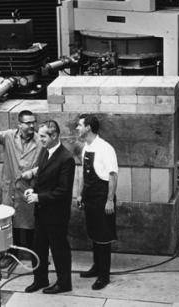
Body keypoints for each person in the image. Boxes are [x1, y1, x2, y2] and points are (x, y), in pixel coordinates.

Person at [0, 110, 42, 266]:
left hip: (28, 189)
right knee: (9, 223)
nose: (32, 125)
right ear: (19, 124)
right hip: (10, 188)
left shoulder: (40, 141)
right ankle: (11, 254)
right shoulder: (9, 136)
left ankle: (36, 257)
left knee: (30, 225)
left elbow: (48, 164)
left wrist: (33, 172)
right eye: (28, 123)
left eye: (33, 122)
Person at [23, 120, 75, 294]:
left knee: (59, 249)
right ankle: (40, 279)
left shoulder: (66, 159)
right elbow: (42, 178)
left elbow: (63, 191)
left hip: (57, 214)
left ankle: (64, 283)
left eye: (43, 136)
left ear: (54, 136)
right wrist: (33, 189)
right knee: (38, 247)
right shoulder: (45, 152)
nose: (40, 139)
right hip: (42, 211)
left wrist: (39, 197)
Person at [76, 114, 118, 290]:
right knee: (94, 234)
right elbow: (83, 174)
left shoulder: (105, 148)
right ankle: (96, 267)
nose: (77, 128)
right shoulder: (86, 146)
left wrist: (109, 200)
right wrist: (79, 195)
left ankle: (104, 276)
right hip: (90, 198)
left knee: (103, 238)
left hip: (102, 198)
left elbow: (113, 175)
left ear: (88, 128)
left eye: (79, 125)